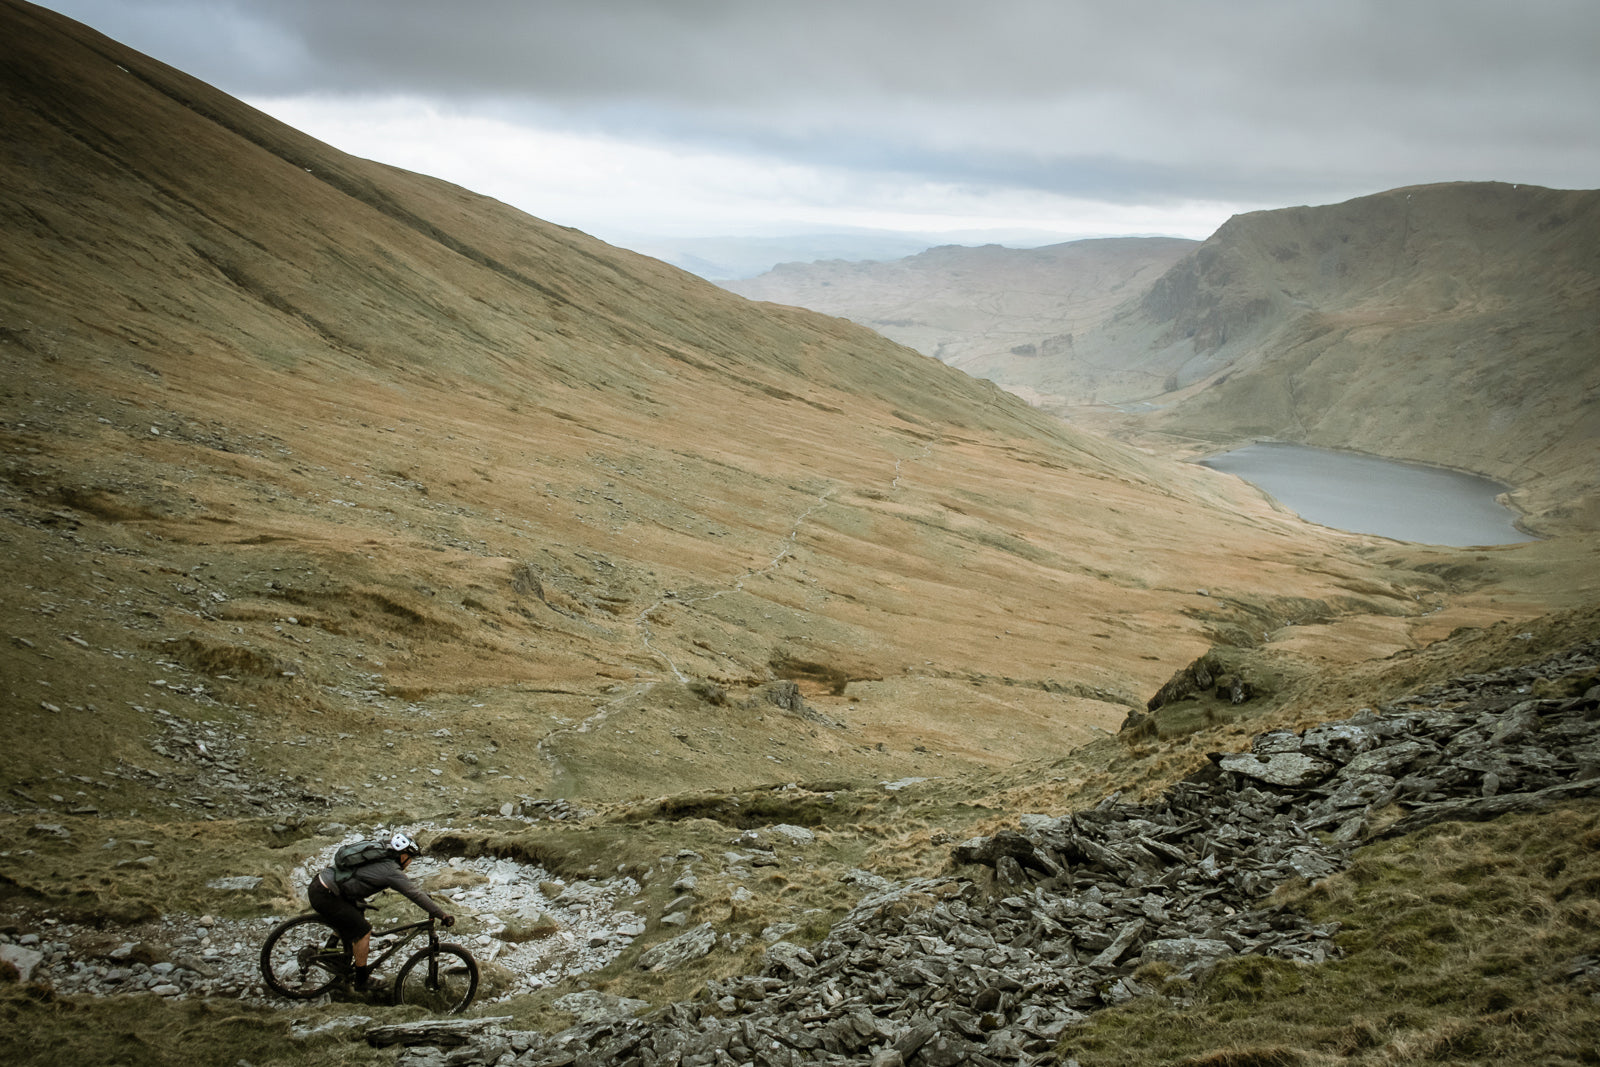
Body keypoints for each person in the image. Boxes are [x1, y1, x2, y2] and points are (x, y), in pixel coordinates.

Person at [307, 831, 454, 990]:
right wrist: (442, 915)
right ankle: (362, 980)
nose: (410, 863)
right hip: (327, 895)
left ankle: (334, 951)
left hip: (323, 885)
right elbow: (414, 894)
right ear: (404, 856)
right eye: (411, 859)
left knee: (354, 916)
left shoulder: (382, 852)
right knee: (363, 931)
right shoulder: (391, 870)